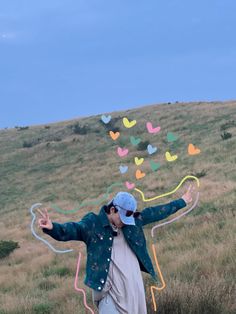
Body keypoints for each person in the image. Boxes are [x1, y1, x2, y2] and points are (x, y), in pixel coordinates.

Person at [38, 184, 194, 314]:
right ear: (112, 210)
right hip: (109, 291)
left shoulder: (133, 221)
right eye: (122, 218)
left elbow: (157, 212)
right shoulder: (93, 223)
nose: (125, 223)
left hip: (132, 289)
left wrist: (182, 201)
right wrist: (52, 228)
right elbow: (74, 229)